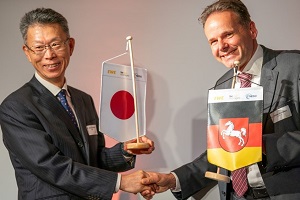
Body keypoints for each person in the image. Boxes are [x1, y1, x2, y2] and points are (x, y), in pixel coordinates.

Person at [141, 0, 300, 200]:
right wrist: (173, 179)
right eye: (213, 41)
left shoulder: (295, 67)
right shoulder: (222, 85)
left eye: (228, 34)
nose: (222, 46)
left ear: (251, 29)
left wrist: (264, 146)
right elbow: (222, 152)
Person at [0, 8, 156, 200]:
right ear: (27, 52)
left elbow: (93, 160)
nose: (49, 55)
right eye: (39, 47)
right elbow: (51, 166)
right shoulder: (16, 107)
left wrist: (125, 150)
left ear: (70, 46)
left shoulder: (83, 100)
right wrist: (121, 182)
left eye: (55, 44)